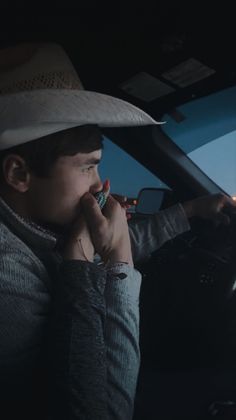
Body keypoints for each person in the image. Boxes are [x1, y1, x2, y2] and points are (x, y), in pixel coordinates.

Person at [0, 42, 235, 420]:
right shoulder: (7, 274)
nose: (99, 186)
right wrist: (116, 264)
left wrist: (189, 210)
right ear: (19, 174)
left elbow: (105, 243)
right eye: (87, 168)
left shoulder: (38, 227)